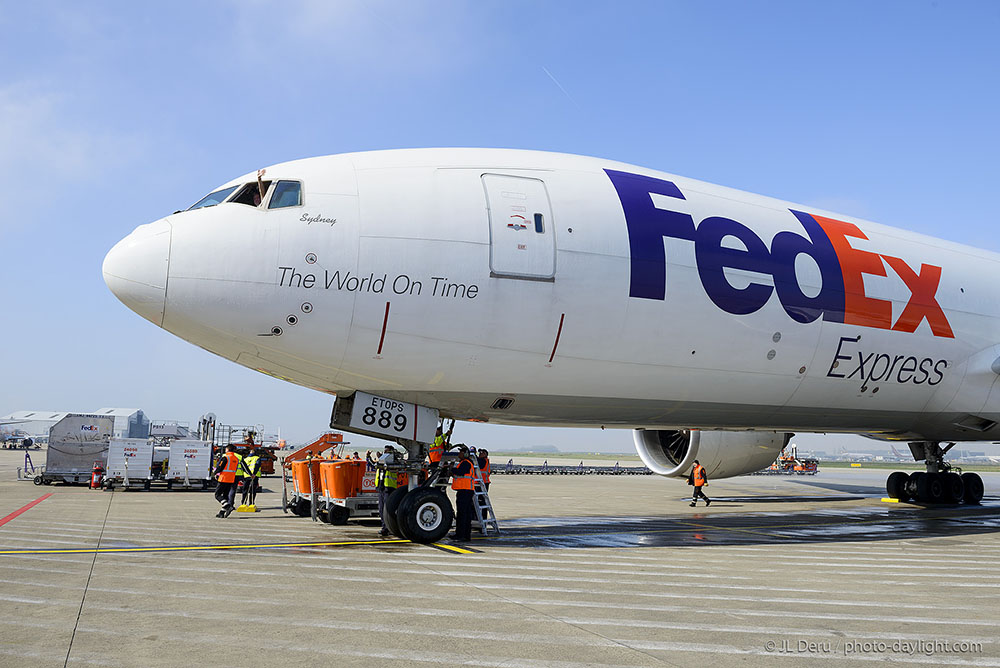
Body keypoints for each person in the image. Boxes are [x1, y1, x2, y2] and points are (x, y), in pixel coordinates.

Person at [450, 445, 475, 542]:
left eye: (460, 452)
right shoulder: (466, 463)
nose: (459, 454)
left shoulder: (466, 463)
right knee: (465, 514)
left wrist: (451, 468)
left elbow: (460, 472)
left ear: (465, 454)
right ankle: (464, 535)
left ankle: (461, 535)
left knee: (462, 514)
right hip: (466, 491)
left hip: (465, 491)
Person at [376, 445, 399, 537]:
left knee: (388, 509)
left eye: (387, 452)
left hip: (389, 488)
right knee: (381, 509)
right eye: (384, 452)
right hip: (382, 487)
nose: (385, 454)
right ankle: (384, 527)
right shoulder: (382, 461)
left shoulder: (393, 461)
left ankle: (388, 528)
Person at [213, 445, 241, 517]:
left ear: (228, 449)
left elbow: (220, 467)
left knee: (217, 495)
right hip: (231, 479)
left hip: (223, 478)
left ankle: (227, 506)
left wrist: (215, 473)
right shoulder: (236, 458)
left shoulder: (226, 457)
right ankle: (222, 512)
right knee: (225, 495)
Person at [476, 448, 491, 520]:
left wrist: (473, 455)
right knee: (480, 502)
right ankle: (479, 518)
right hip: (482, 482)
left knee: (482, 502)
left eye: (481, 453)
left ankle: (483, 518)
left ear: (485, 454)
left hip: (482, 483)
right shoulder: (484, 460)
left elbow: (479, 463)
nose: (480, 454)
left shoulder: (483, 461)